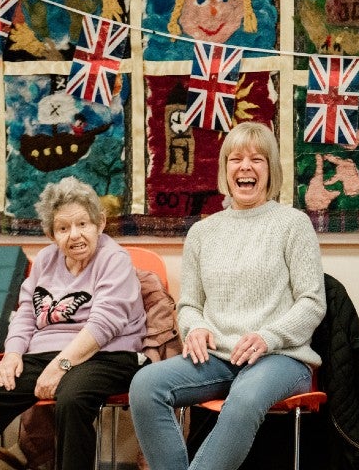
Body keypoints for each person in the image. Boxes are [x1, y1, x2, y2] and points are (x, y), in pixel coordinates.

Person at [129, 121, 327, 470]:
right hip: (218, 356)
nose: (245, 167)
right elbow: (189, 304)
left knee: (245, 396)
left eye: (257, 159)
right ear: (225, 170)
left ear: (271, 170)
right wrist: (196, 329)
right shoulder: (202, 233)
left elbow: (312, 302)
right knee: (146, 384)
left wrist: (268, 337)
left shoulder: (293, 224)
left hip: (280, 357)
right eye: (236, 159)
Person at [0, 176, 145, 470]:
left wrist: (60, 366)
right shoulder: (46, 259)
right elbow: (25, 315)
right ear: (51, 234)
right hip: (43, 356)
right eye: (63, 228)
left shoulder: (115, 260)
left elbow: (103, 325)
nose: (75, 235)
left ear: (100, 223)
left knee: (72, 400)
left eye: (83, 224)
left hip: (106, 355)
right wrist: (12, 356)